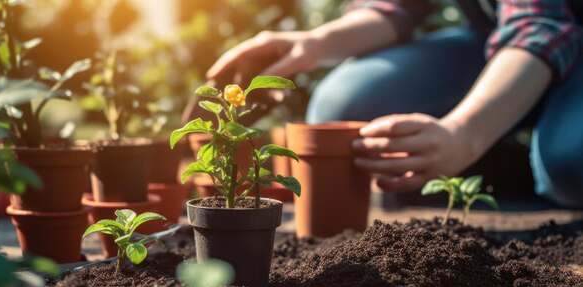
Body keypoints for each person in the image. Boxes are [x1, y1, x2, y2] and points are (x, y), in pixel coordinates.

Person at [206, 0, 583, 208]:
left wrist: (464, 133)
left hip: (555, 34)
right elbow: (395, 7)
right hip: (497, 36)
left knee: (568, 166)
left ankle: (509, 150)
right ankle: (502, 157)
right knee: (342, 105)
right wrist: (314, 43)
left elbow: (542, 27)